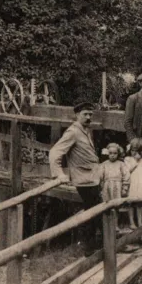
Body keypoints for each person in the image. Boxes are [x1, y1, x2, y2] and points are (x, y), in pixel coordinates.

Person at [49, 102, 101, 256]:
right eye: (85, 114)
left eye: (90, 114)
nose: (88, 117)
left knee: (94, 211)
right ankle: (90, 250)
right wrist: (59, 174)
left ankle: (95, 247)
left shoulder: (85, 130)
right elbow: (54, 152)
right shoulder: (73, 132)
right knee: (93, 212)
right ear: (76, 115)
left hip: (92, 177)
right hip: (83, 179)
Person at [124, 137, 142, 230]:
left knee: (139, 204)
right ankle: (132, 222)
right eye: (132, 150)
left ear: (141, 151)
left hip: (141, 185)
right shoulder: (127, 159)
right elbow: (127, 171)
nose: (134, 153)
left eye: (136, 151)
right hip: (131, 185)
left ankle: (139, 222)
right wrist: (135, 161)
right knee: (130, 203)